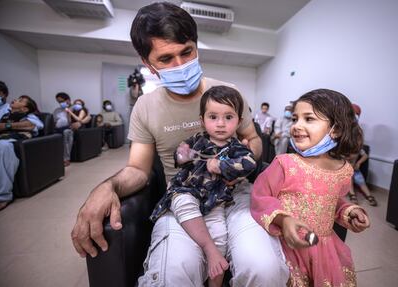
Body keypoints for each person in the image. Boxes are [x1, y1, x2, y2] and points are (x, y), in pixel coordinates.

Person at [71, 2, 289, 287]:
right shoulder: (145, 107)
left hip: (235, 198)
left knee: (265, 271)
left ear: (196, 46)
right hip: (185, 202)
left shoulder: (228, 93)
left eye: (187, 52)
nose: (180, 65)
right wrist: (106, 186)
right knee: (172, 278)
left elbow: (253, 139)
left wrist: (239, 164)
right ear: (148, 63)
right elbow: (138, 168)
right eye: (166, 59)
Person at [251, 89, 370, 286]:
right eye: (295, 119)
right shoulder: (285, 163)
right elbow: (260, 197)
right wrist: (284, 219)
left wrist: (349, 211)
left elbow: (332, 200)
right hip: (286, 246)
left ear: (336, 129)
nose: (297, 126)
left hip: (323, 249)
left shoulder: (344, 170)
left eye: (309, 119)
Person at [150, 86, 257, 286]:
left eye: (228, 117)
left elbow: (249, 163)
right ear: (202, 120)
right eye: (213, 117)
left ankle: (215, 275)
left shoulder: (236, 148)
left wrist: (222, 165)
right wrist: (182, 155)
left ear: (239, 122)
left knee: (221, 236)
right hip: (186, 190)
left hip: (215, 200)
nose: (220, 124)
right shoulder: (196, 140)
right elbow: (179, 156)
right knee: (182, 202)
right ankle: (209, 248)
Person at [0, 95, 43, 210]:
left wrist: (6, 126)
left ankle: (3, 196)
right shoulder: (4, 115)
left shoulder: (29, 116)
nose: (15, 100)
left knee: (3, 146)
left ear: (24, 109)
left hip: (15, 142)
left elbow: (34, 125)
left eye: (20, 100)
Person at [348, 103, 377, 206]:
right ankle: (352, 194)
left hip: (354, 167)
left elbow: (364, 155)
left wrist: (358, 163)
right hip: (345, 168)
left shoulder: (358, 147)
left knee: (359, 178)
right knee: (349, 176)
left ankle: (369, 195)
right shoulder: (343, 146)